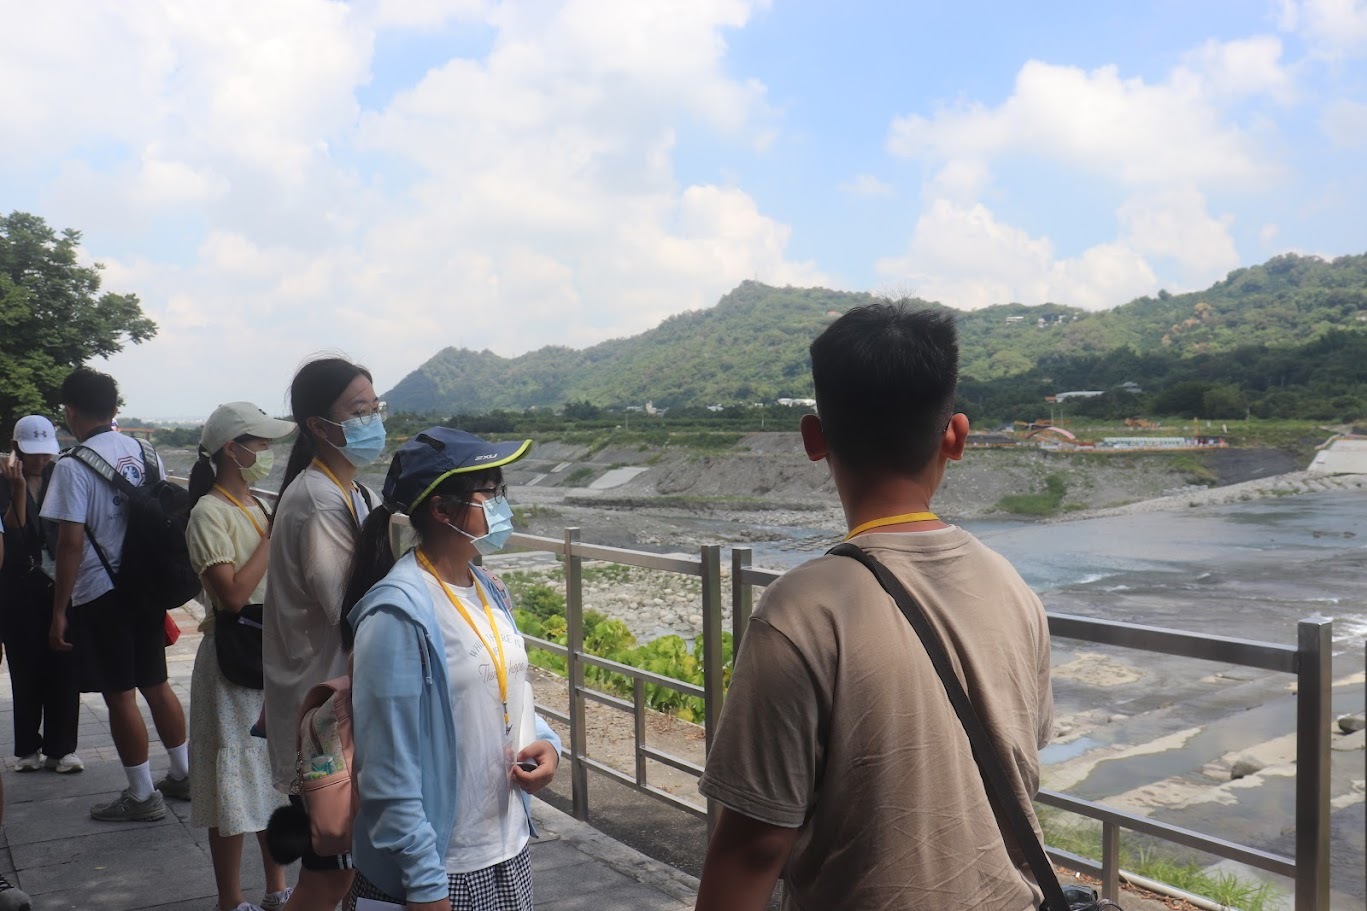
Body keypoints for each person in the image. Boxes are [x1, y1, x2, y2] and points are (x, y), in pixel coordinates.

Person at [694, 304, 1054, 911]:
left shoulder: (801, 610)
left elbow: (756, 844)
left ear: (814, 439)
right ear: (956, 437)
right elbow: (1021, 758)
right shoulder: (1013, 588)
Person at [341, 427, 560, 911]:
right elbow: (385, 767)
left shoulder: (490, 588)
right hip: (442, 869)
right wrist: (425, 884)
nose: (501, 505)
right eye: (491, 493)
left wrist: (548, 744)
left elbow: (504, 694)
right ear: (441, 510)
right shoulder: (397, 614)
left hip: (507, 849)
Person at [40, 367, 191, 822]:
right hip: (145, 586)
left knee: (120, 693)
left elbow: (69, 544)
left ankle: (143, 796)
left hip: (100, 592)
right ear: (114, 409)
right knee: (155, 682)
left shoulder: (71, 465)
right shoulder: (146, 452)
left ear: (70, 412)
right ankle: (183, 774)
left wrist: (59, 609)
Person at [262, 356, 384, 910]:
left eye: (375, 408)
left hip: (335, 711)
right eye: (358, 411)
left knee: (347, 869)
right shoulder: (318, 499)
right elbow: (352, 608)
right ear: (317, 426)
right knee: (330, 876)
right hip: (324, 720)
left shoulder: (354, 491)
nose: (372, 420)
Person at [186, 403, 298, 911]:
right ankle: (230, 900)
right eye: (260, 443)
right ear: (233, 449)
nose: (267, 454)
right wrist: (272, 542)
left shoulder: (253, 503)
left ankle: (277, 888)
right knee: (232, 784)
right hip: (233, 662)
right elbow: (230, 594)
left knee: (268, 777)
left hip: (265, 654)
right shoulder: (209, 512)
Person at [2, 416, 81, 775]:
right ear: (16, 448)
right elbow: (14, 539)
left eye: (45, 453)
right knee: (25, 666)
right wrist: (17, 490)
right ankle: (27, 748)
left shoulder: (62, 476)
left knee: (64, 665)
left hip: (59, 584)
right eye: (32, 454)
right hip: (18, 587)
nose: (40, 461)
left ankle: (62, 748)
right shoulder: (4, 481)